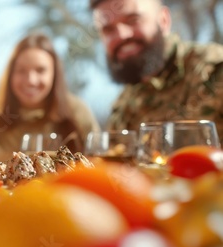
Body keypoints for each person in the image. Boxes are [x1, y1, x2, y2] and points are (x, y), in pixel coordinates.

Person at [91, 0, 223, 144]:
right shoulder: (122, 108)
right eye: (108, 29)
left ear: (163, 20)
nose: (122, 35)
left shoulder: (215, 71)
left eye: (133, 20)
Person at [0, 33, 100, 163]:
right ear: (10, 74)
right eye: (21, 71)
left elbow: (99, 165)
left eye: (40, 70)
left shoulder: (77, 112)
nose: (31, 80)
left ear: (54, 74)